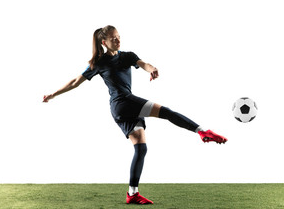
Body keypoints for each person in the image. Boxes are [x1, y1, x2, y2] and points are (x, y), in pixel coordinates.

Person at [43, 25, 227, 204]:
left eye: (119, 36)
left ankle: (132, 194)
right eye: (113, 38)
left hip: (124, 108)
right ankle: (203, 132)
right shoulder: (99, 63)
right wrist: (53, 94)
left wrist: (152, 68)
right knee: (167, 113)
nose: (118, 40)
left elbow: (143, 64)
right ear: (104, 42)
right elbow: (75, 81)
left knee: (141, 149)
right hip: (122, 104)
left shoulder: (128, 56)